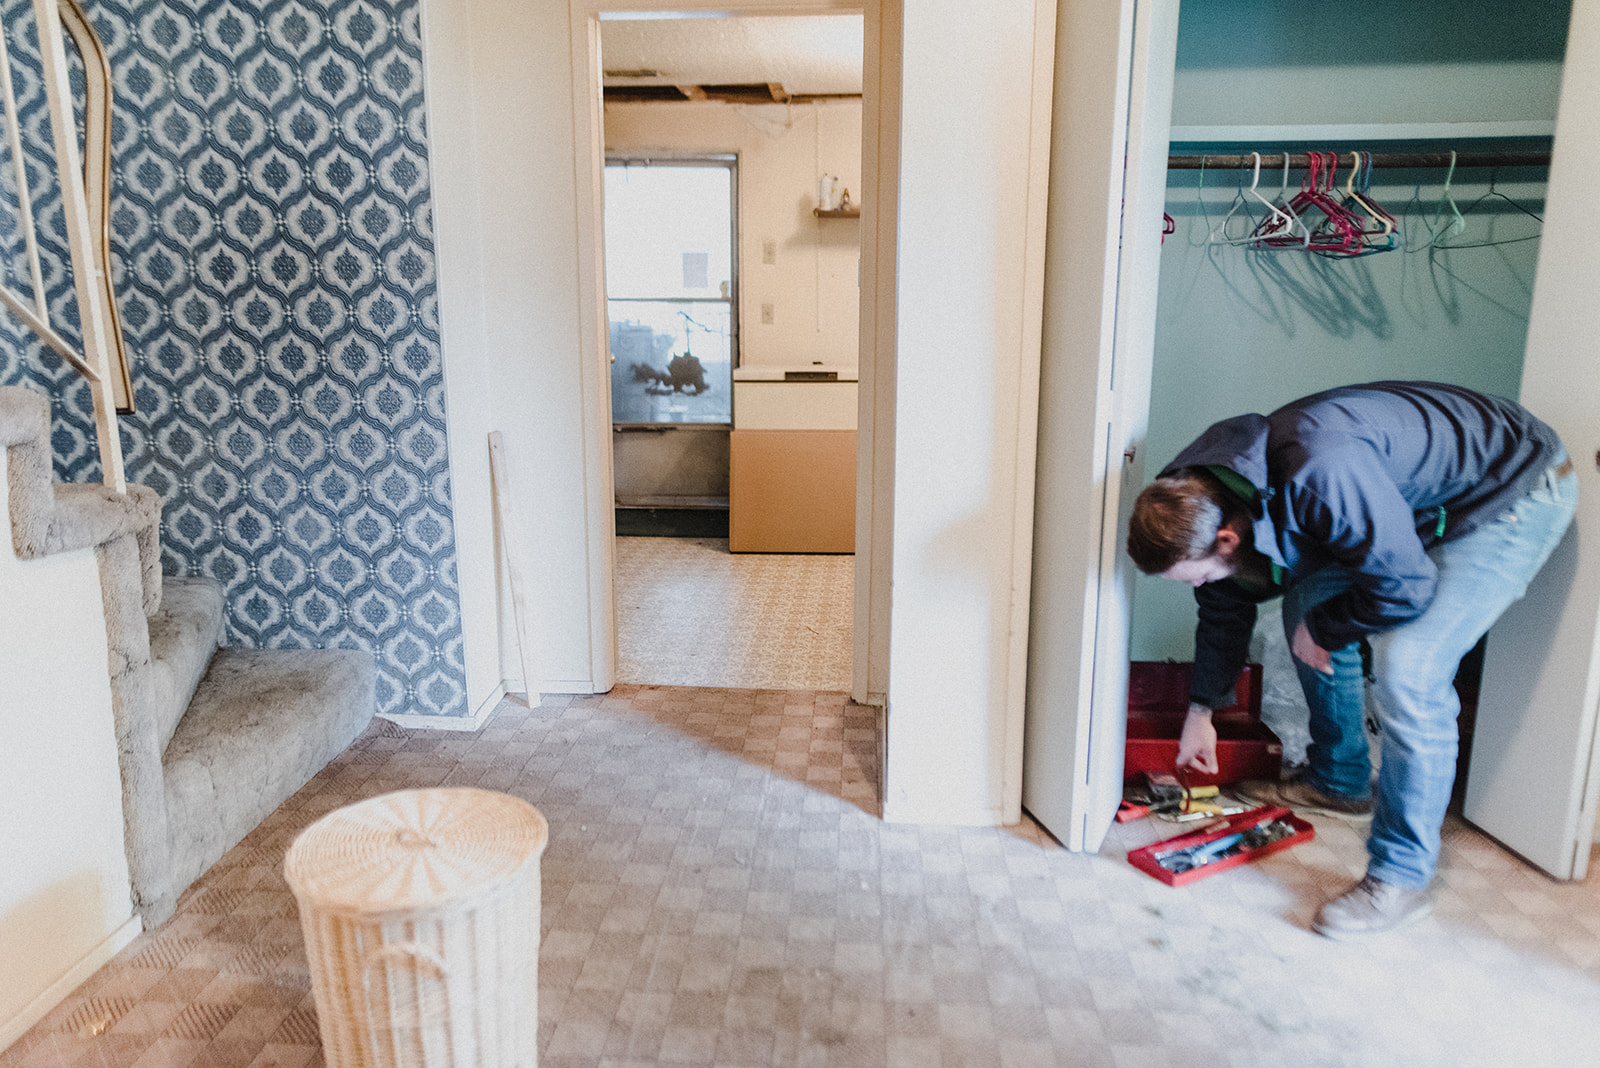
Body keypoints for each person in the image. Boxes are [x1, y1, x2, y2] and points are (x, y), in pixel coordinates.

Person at [1126, 381, 1577, 939]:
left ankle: (1400, 878)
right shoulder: (1195, 491)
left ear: (1224, 539)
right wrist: (1202, 713)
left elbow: (1405, 586)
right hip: (1418, 504)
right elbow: (1224, 602)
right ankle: (1339, 781)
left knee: (1409, 669)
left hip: (1511, 491)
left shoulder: (1322, 475)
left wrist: (1329, 628)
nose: (1195, 585)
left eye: (1193, 574)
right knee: (1305, 604)